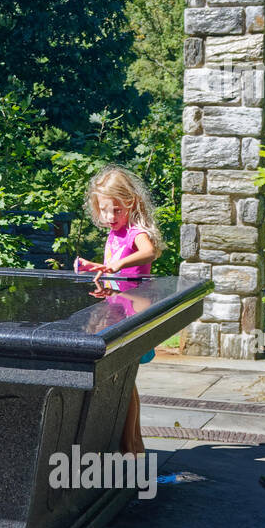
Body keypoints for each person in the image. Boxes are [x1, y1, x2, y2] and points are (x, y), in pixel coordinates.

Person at [74, 165, 165, 455]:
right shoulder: (114, 234)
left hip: (134, 315)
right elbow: (114, 273)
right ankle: (130, 443)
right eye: (104, 211)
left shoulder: (135, 232)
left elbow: (149, 251)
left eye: (117, 210)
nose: (111, 217)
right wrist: (97, 270)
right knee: (124, 378)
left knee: (126, 378)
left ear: (132, 204)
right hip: (117, 311)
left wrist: (118, 265)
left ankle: (132, 446)